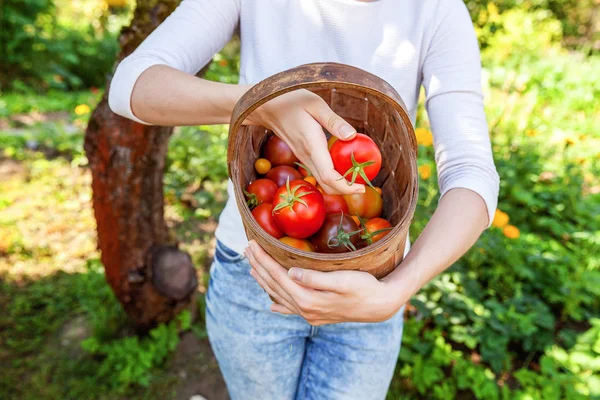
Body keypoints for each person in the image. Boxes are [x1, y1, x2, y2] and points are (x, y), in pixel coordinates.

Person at [108, 0, 500, 398]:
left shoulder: (437, 9)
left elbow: (473, 174)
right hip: (255, 276)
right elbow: (130, 86)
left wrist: (398, 290)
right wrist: (263, 102)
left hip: (372, 284)